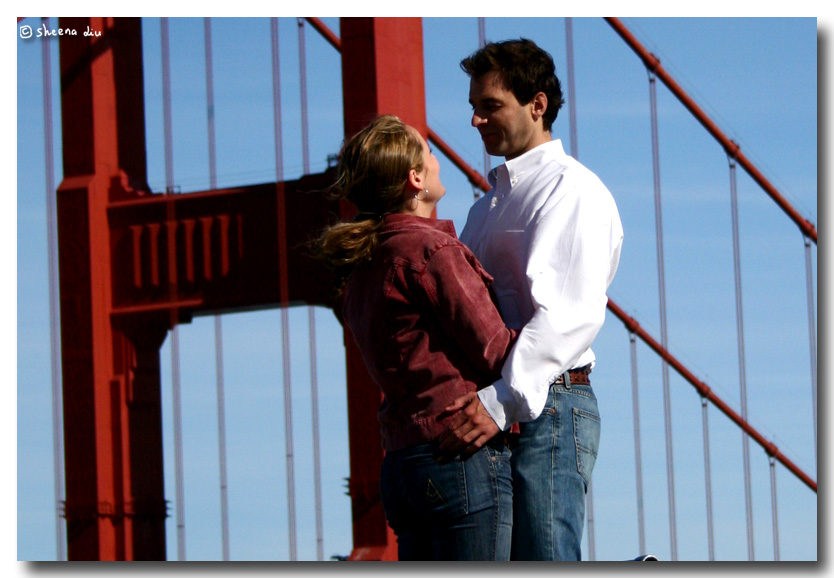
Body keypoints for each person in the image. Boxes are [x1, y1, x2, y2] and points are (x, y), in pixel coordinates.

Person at [438, 38, 624, 561]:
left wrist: (498, 402)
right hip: (500, 406)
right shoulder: (485, 208)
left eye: (490, 105)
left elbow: (571, 316)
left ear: (537, 105)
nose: (475, 120)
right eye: (473, 107)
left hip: (547, 405)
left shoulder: (575, 192)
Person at [317, 115, 517, 561]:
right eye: (427, 151)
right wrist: (560, 338)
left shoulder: (363, 268)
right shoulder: (432, 252)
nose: (436, 158)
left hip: (403, 466)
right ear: (414, 178)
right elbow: (496, 350)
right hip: (458, 453)